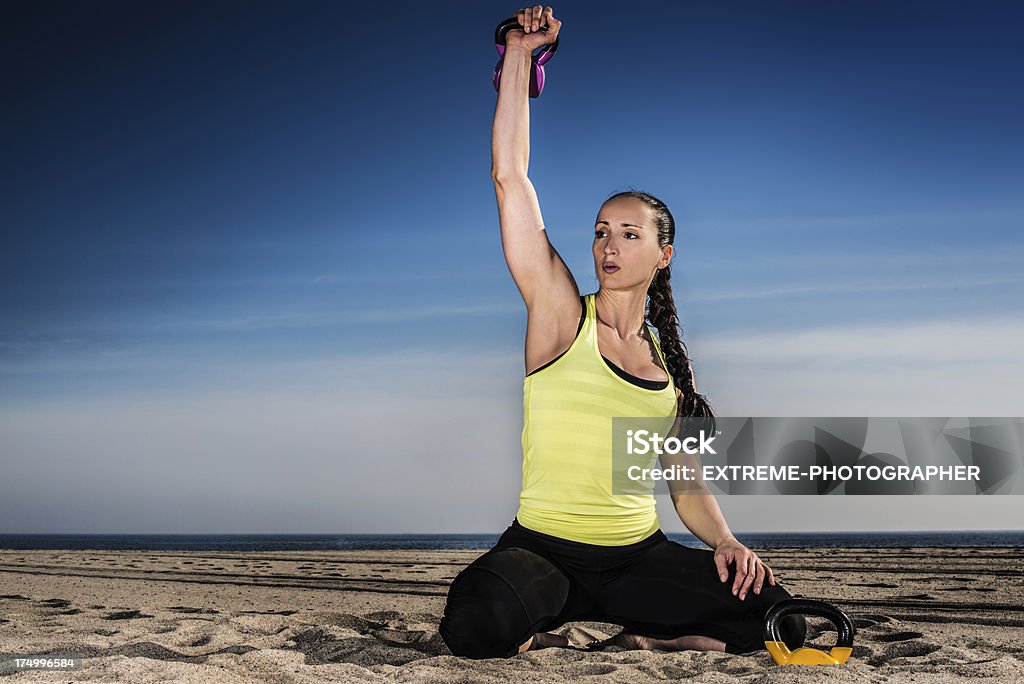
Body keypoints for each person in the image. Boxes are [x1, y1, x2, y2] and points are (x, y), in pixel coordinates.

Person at [439, 5, 807, 659]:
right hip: (543, 551)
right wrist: (521, 54)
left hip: (637, 559)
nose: (609, 244)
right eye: (601, 231)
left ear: (663, 254)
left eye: (629, 234)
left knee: (779, 618)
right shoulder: (559, 316)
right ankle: (558, 619)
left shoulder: (673, 365)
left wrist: (726, 542)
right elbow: (510, 178)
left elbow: (684, 480)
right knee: (475, 624)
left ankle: (640, 634)